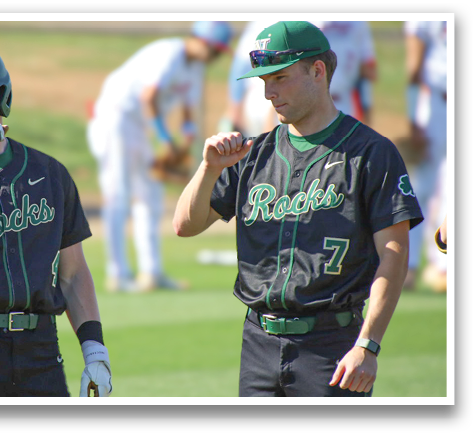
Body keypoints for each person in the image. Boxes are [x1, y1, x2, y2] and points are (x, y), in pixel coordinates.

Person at [173, 21, 424, 396]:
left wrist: (368, 345)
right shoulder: (252, 153)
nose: (269, 93)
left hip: (332, 346)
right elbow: (185, 225)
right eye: (263, 81)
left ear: (318, 71)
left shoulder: (371, 153)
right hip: (257, 342)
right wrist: (208, 168)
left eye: (280, 78)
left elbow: (394, 254)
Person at [0, 39, 112, 397]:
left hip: (40, 349)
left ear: (1, 98)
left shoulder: (49, 172)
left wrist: (94, 349)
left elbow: (72, 272)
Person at [87, 21, 232, 293]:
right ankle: (117, 273)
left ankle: (151, 272)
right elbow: (148, 97)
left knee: (150, 196)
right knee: (118, 195)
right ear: (200, 40)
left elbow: (189, 110)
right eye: (214, 50)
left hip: (141, 126)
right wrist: (165, 139)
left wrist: (186, 140)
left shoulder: (196, 68)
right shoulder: (170, 54)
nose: (215, 57)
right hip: (115, 119)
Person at [221, 20, 376, 138]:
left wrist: (366, 112)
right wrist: (233, 114)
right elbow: (242, 63)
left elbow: (366, 70)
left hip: (340, 102)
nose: (267, 93)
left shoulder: (356, 22)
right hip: (278, 106)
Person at [403, 20, 447, 291]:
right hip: (436, 108)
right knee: (419, 187)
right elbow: (413, 67)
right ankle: (406, 266)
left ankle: (442, 264)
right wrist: (412, 119)